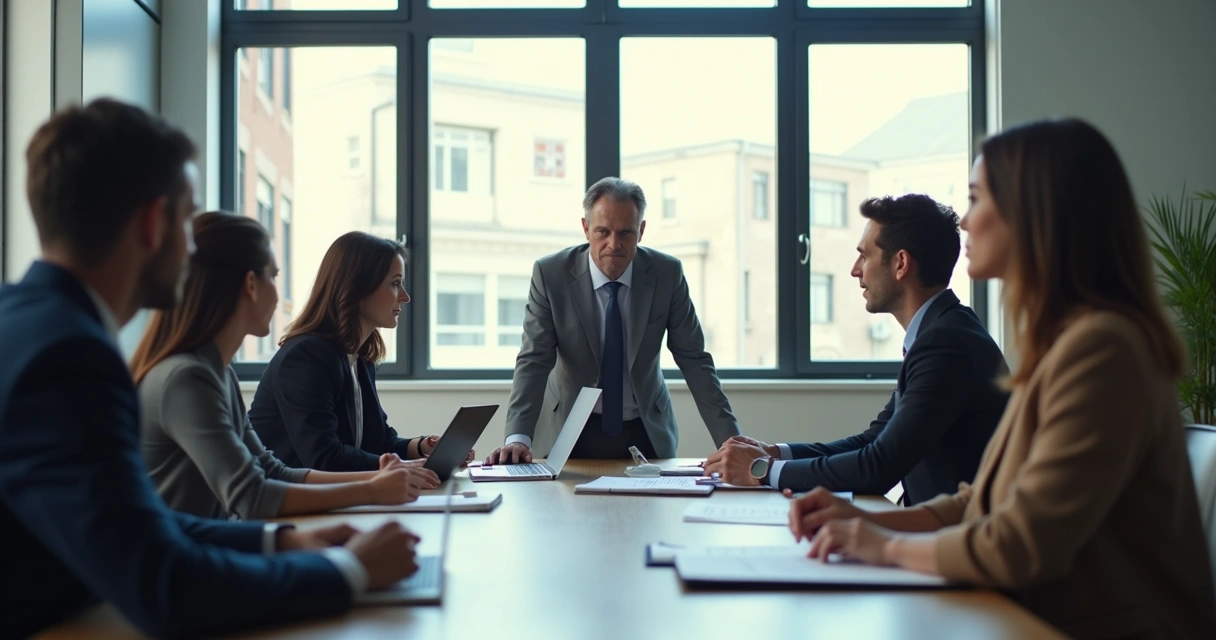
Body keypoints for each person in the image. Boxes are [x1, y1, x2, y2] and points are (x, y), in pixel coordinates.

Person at [0, 99, 417, 639]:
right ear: (153, 223)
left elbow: (136, 521)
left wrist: (279, 541)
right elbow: (166, 585)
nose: (193, 248)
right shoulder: (69, 356)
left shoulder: (37, 325)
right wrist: (350, 569)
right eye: (187, 221)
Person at [788, 119, 1216, 638]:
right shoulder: (1063, 341)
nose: (964, 223)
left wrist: (884, 547)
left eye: (976, 198)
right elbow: (979, 502)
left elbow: (1018, 545)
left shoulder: (1103, 348)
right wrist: (865, 524)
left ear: (1034, 213)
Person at [131, 212, 440, 521]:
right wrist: (372, 488)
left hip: (215, 544)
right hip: (191, 559)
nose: (279, 295)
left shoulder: (218, 373)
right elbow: (253, 496)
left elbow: (272, 472)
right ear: (251, 284)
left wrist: (387, 476)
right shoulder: (188, 378)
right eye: (274, 276)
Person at [703, 195, 1008, 505]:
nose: (854, 270)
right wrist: (774, 453)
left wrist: (763, 470)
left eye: (864, 256)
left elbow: (877, 467)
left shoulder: (945, 344)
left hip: (954, 540)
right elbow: (873, 442)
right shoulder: (941, 331)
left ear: (901, 263)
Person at [485, 177, 741, 463]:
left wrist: (731, 441)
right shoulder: (551, 274)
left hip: (645, 430)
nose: (613, 244)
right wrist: (518, 438)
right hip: (568, 430)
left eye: (625, 233)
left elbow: (695, 360)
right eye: (602, 232)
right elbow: (534, 359)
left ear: (641, 231)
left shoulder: (666, 274)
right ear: (585, 228)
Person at [249, 232, 474, 472]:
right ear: (358, 287)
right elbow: (324, 457)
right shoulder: (305, 357)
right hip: (285, 505)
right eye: (395, 283)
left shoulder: (359, 357)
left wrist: (421, 448)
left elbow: (379, 442)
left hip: (333, 499)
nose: (405, 297)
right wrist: (408, 467)